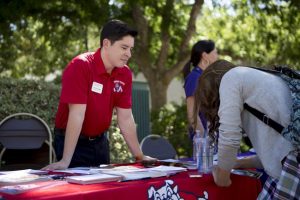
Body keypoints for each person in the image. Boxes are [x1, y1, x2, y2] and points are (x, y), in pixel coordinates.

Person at [43, 19, 155, 170]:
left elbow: (126, 117)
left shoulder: (125, 73)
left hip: (100, 142)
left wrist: (139, 156)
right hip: (73, 143)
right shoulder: (80, 66)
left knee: (103, 189)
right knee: (78, 190)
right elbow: (77, 115)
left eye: (131, 49)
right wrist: (65, 160)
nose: (128, 54)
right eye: (124, 47)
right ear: (107, 44)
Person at [193, 60, 297, 198]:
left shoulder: (231, 78)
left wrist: (222, 175)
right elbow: (273, 155)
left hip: (293, 167)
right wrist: (238, 163)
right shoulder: (260, 84)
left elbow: (229, 138)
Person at [182, 40, 218, 138]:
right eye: (215, 53)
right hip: (204, 144)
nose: (217, 56)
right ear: (205, 56)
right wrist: (204, 139)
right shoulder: (194, 78)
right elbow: (192, 115)